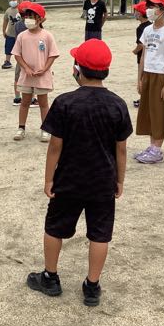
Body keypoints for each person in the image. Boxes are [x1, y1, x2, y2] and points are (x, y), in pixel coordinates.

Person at [26, 39, 132, 307]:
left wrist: (48, 178)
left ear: (78, 69)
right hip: (103, 180)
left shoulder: (65, 102)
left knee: (55, 227)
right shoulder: (118, 105)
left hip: (69, 179)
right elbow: (121, 149)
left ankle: (50, 277)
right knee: (100, 233)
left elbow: (55, 146)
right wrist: (119, 180)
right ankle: (92, 285)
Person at [135, 0, 164, 164]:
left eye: (152, 6)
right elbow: (143, 57)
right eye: (148, 6)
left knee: (159, 111)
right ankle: (152, 146)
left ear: (162, 9)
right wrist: (139, 78)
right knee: (149, 111)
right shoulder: (147, 30)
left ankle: (157, 149)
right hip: (148, 74)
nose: (149, 9)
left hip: (161, 75)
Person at [12, 3, 59, 142]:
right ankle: (21, 128)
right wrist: (26, 68)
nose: (28, 19)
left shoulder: (47, 35)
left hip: (42, 76)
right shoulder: (22, 36)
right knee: (25, 102)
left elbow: (53, 54)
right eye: (26, 16)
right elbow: (17, 54)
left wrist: (44, 69)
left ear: (40, 19)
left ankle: (45, 129)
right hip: (26, 75)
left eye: (31, 16)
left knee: (43, 103)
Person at [131, 0, 150, 108]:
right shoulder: (151, 25)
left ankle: (144, 99)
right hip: (150, 55)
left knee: (142, 78)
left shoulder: (140, 28)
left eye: (136, 11)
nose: (135, 13)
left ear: (140, 13)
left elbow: (140, 45)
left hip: (142, 57)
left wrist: (135, 51)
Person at [2, 0, 22, 69]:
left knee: (21, 48)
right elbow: (5, 21)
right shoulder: (8, 10)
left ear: (19, 0)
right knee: (8, 48)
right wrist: (4, 31)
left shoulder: (21, 9)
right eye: (11, 0)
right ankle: (7, 61)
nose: (12, 1)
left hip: (20, 34)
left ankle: (22, 61)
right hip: (10, 34)